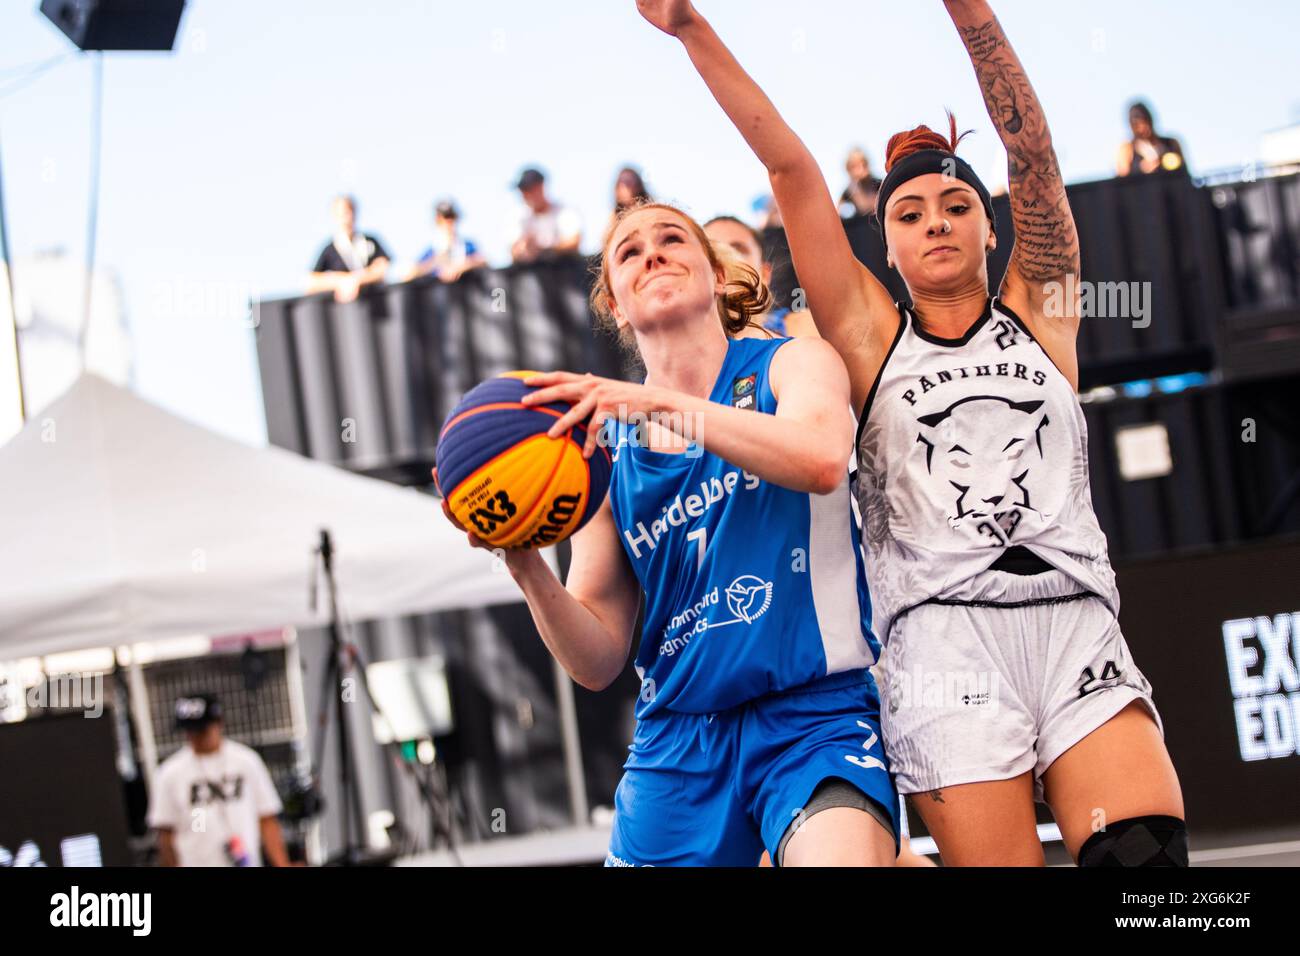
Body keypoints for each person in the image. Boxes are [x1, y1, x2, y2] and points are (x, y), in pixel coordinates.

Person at [637, 0, 1186, 867]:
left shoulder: (1044, 312)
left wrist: (967, 10)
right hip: (942, 647)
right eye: (911, 212)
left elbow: (1033, 155)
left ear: (990, 224)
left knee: (1148, 872)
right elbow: (792, 173)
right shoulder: (864, 336)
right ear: (885, 248)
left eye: (956, 203)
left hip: (1075, 619)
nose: (935, 220)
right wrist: (690, 28)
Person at [437, 199, 899, 867]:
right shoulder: (601, 456)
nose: (651, 253)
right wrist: (523, 563)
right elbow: (597, 659)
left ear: (715, 276)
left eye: (671, 239)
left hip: (811, 717)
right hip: (680, 740)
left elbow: (821, 459)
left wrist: (660, 402)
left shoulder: (789, 364)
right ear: (618, 308)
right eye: (629, 252)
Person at [146, 694, 290, 867]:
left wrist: (282, 864)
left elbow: (267, 819)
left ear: (218, 723)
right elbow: (165, 833)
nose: (195, 737)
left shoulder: (246, 761)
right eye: (189, 731)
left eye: (201, 730)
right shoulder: (169, 772)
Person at [703, 215, 817, 338]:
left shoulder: (807, 328)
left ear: (764, 274)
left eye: (737, 250)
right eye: (714, 250)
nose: (725, 258)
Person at [307, 195, 391, 303]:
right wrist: (341, 281)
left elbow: (381, 268)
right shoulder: (330, 249)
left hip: (376, 302)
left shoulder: (370, 241)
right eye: (341, 214)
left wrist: (357, 280)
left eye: (349, 212)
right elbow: (312, 281)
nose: (346, 218)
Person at [509, 167, 583, 263]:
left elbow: (574, 241)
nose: (526, 194)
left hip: (564, 269)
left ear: (541, 187)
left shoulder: (564, 211)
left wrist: (544, 249)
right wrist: (524, 248)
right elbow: (514, 251)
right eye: (523, 190)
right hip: (534, 271)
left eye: (529, 189)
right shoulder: (520, 217)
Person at [403, 200, 486, 283]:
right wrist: (435, 263)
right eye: (444, 218)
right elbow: (408, 275)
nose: (448, 222)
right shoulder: (431, 251)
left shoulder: (467, 246)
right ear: (438, 220)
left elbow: (483, 261)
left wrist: (461, 267)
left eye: (451, 217)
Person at [1116, 100, 1186, 177]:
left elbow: (1184, 171)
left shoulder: (1171, 143)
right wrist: (1142, 169)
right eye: (1133, 121)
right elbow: (1121, 179)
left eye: (1140, 118)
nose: (1137, 123)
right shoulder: (1127, 149)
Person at [840, 147, 883, 218]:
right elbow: (836, 213)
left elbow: (867, 207)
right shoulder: (848, 191)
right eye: (854, 166)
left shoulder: (879, 184)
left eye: (863, 164)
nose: (860, 169)